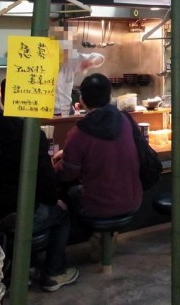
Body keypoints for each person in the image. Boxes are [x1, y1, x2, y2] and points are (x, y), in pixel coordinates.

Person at [0, 79, 79, 293]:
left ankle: (29, 268)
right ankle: (54, 272)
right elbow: (45, 178)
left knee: (31, 208)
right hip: (19, 211)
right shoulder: (31, 133)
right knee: (61, 214)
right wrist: (54, 200)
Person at [52, 73, 142, 235]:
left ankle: (90, 239)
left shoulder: (78, 132)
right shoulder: (126, 121)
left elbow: (67, 174)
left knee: (68, 193)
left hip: (98, 208)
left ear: (81, 101)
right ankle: (104, 239)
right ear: (109, 97)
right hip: (133, 201)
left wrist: (54, 164)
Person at [52, 26, 105, 116]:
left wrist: (91, 62)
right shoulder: (41, 62)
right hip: (45, 113)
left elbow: (99, 57)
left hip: (66, 112)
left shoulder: (71, 59)